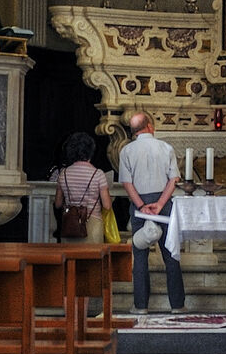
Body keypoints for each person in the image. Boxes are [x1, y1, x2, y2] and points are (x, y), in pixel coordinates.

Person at [117, 111, 186, 311]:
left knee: (140, 255)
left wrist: (141, 205)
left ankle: (140, 306)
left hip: (139, 203)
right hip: (163, 203)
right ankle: (177, 305)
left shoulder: (126, 151)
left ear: (133, 131)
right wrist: (159, 203)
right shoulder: (165, 147)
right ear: (149, 126)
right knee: (170, 253)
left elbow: (127, 183)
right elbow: (173, 180)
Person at [51, 131, 111, 241]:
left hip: (69, 226)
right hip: (93, 225)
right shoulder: (98, 174)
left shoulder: (63, 174)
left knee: (69, 256)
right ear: (91, 151)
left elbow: (58, 204)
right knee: (93, 257)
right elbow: (107, 205)